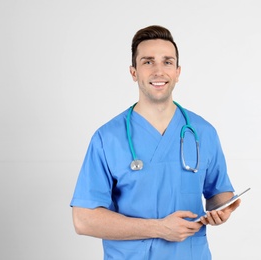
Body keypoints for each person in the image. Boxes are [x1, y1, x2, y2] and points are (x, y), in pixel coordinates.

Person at [70, 25, 241, 260]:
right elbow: (83, 220)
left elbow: (218, 195)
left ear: (178, 72)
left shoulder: (203, 132)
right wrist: (159, 228)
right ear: (134, 72)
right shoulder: (107, 138)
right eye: (148, 62)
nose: (158, 71)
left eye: (167, 62)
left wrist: (222, 209)